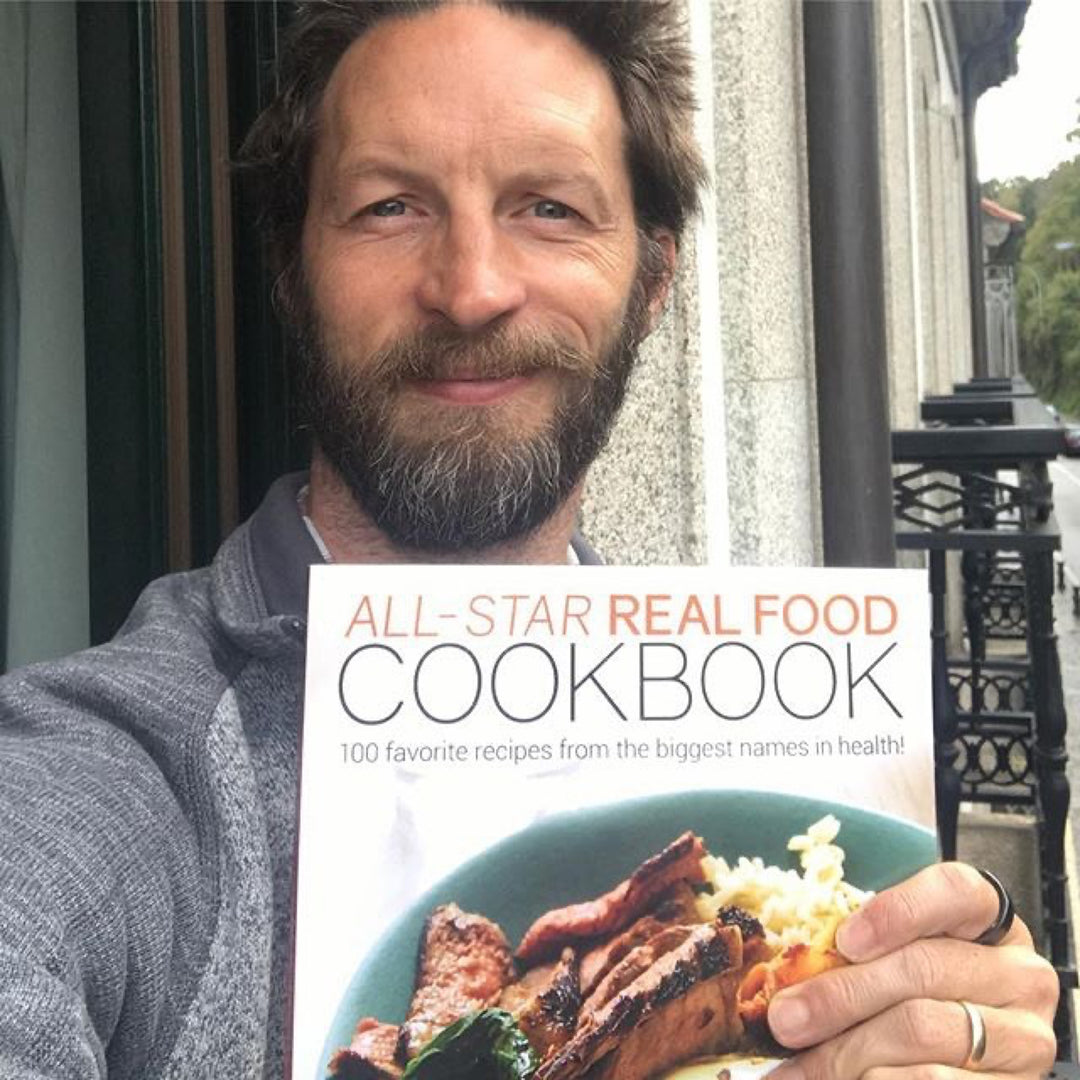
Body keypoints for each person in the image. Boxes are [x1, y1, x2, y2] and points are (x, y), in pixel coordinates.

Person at [0, 2, 1058, 1078]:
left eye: (549, 207)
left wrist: (965, 1024)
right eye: (389, 206)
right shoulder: (120, 769)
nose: (471, 289)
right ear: (292, 269)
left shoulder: (744, 714)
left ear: (651, 277)